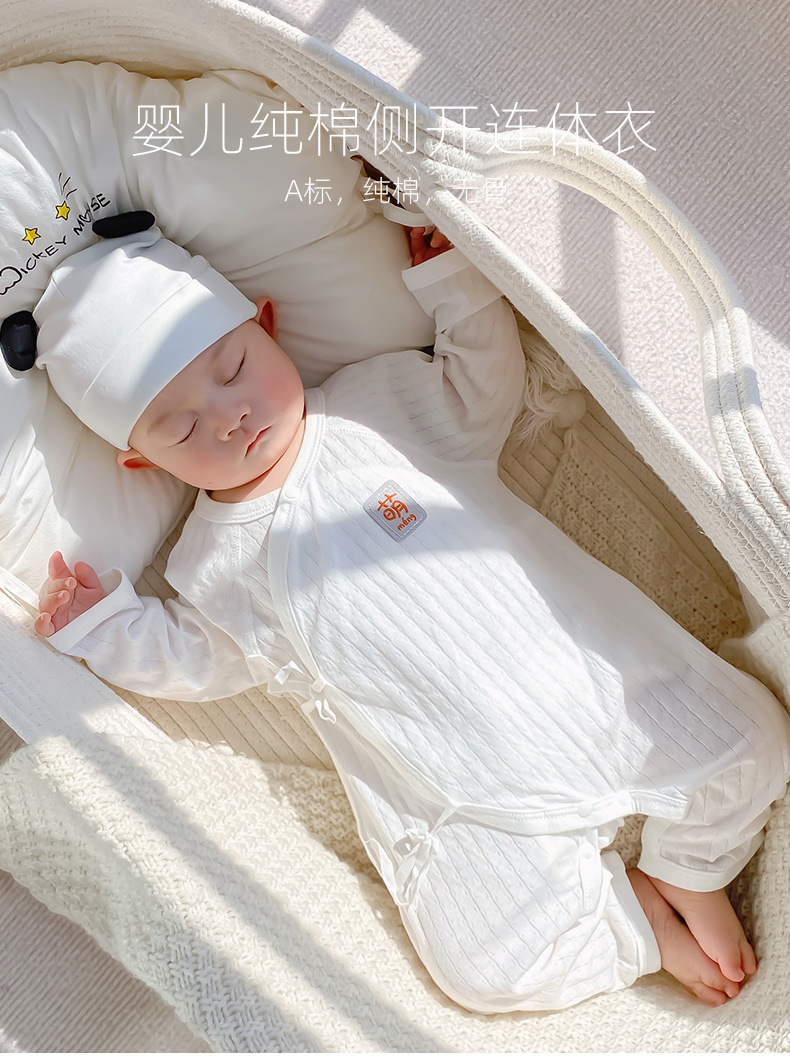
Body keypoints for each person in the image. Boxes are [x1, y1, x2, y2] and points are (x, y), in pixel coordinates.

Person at [21, 212, 790, 1014]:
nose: (229, 416)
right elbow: (198, 657)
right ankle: (639, 925)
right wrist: (104, 625)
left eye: (233, 368)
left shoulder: (374, 405)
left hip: (596, 685)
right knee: (488, 967)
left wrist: (456, 284)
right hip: (456, 789)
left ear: (266, 322)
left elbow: (481, 389)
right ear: (143, 460)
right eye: (182, 428)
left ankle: (687, 869)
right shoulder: (212, 563)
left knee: (752, 741)